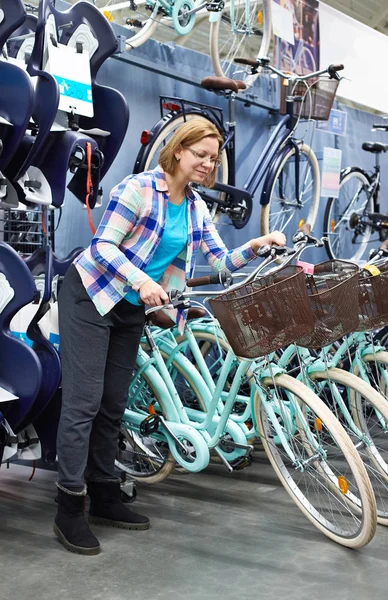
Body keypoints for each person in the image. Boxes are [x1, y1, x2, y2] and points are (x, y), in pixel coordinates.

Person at [54, 118, 286, 555]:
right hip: (91, 295)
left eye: (213, 158)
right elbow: (102, 247)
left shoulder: (196, 207)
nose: (207, 164)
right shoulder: (137, 189)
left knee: (113, 405)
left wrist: (255, 247)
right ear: (178, 150)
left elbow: (219, 261)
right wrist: (142, 280)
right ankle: (68, 508)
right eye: (200, 154)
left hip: (131, 307)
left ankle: (104, 495)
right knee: (83, 402)